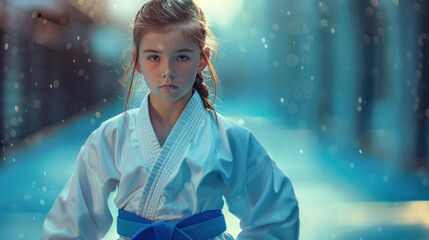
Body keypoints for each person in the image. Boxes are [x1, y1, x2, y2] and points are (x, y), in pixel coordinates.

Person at [41, 0, 300, 239]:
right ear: (138, 62)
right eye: (154, 57)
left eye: (182, 57)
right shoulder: (111, 136)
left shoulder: (230, 138)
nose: (167, 71)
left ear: (202, 59)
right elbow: (69, 225)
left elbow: (276, 214)